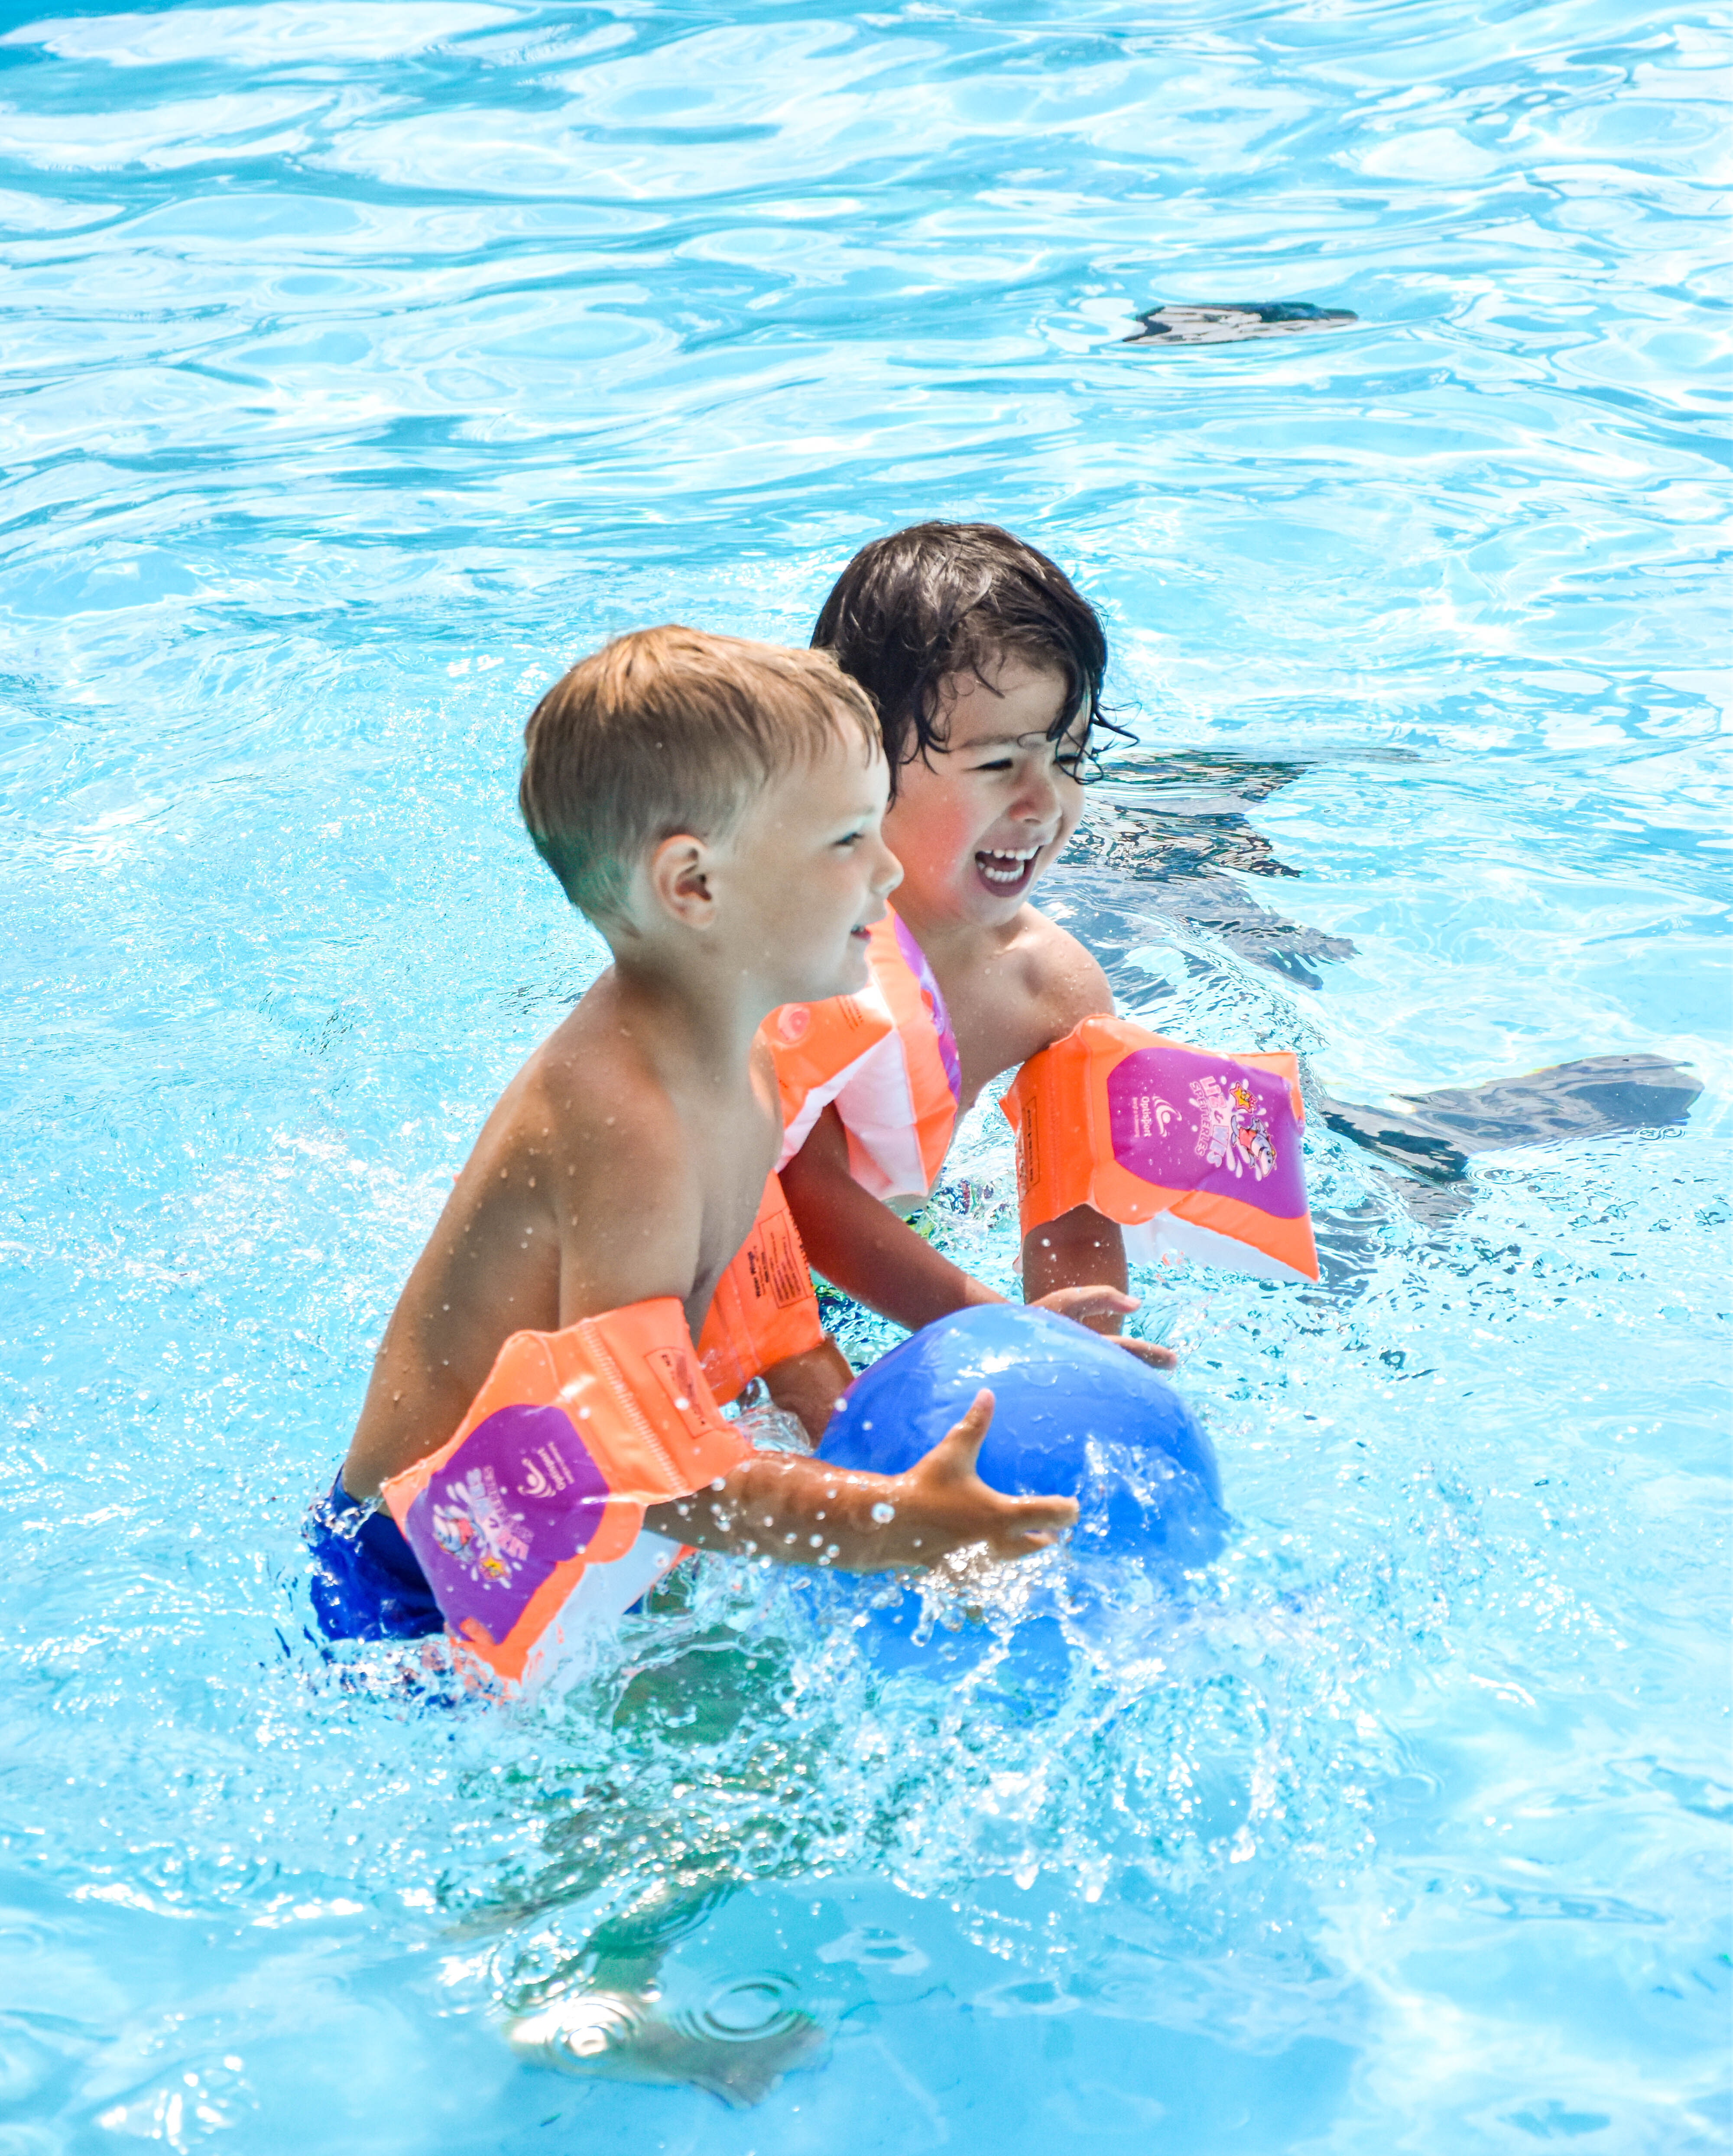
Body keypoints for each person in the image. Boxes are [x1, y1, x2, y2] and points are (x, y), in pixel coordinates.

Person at [309, 624, 1077, 1680]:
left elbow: (751, 1321)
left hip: (562, 1524)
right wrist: (887, 1522)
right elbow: (646, 1471)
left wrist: (997, 1341)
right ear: (694, 887)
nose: (890, 868)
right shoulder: (629, 1127)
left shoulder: (737, 1049)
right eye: (847, 840)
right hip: (430, 1586)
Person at [777, 521, 1176, 1364]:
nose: (1044, 804)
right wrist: (994, 1324)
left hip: (909, 1252)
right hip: (753, 1262)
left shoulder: (1049, 991)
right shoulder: (790, 949)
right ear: (864, 760)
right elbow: (802, 1193)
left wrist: (1082, 1348)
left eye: (1067, 757)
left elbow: (1074, 1230)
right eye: (999, 766)